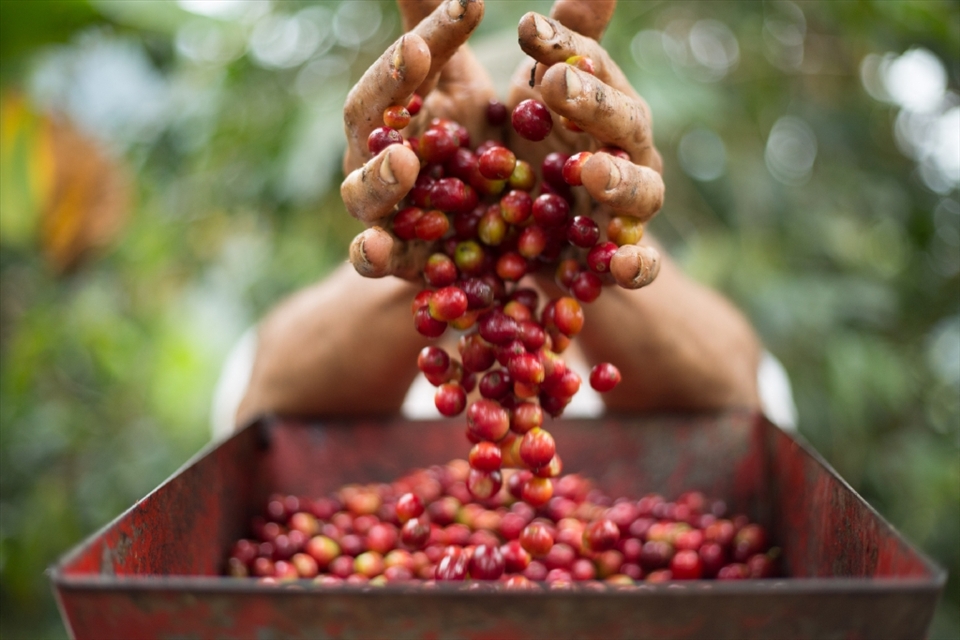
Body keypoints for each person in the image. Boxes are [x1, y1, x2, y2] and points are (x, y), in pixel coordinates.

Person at [214, 0, 796, 437]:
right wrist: (421, 227)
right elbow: (258, 398)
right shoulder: (386, 329)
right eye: (490, 147)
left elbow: (749, 396)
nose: (508, 164)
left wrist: (583, 239)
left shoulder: (610, 312)